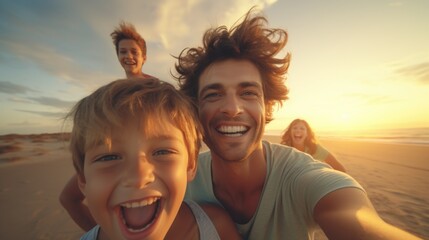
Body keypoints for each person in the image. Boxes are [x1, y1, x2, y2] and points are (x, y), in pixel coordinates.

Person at [173, 8, 420, 240]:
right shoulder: (179, 179)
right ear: (194, 110)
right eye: (213, 94)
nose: (232, 108)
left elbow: (354, 218)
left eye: (248, 93)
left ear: (267, 107)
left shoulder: (302, 177)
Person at [67, 77, 241, 240]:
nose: (139, 178)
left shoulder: (215, 227)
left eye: (162, 152)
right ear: (82, 180)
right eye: (109, 157)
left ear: (190, 166)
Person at [59, 21, 153, 231]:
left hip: (144, 159)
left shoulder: (153, 87)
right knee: (67, 197)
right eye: (122, 52)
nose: (128, 56)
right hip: (112, 153)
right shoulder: (115, 91)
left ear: (144, 56)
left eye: (133, 51)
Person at [281, 118, 346, 172]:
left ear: (307, 134)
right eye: (295, 128)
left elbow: (340, 168)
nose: (298, 131)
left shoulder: (315, 148)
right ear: (290, 132)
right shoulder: (283, 149)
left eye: (302, 128)